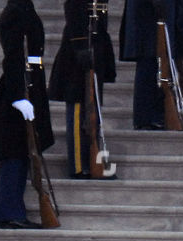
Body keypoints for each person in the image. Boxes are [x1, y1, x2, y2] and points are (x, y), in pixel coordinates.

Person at [0, 0, 55, 228]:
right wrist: (18, 96)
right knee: (15, 151)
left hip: (31, 83)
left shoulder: (25, 8)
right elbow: (12, 57)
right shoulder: (14, 12)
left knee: (24, 151)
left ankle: (14, 208)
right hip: (21, 86)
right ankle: (9, 211)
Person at [49, 0, 116, 178]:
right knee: (78, 113)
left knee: (95, 114)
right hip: (77, 56)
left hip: (96, 51)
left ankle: (95, 161)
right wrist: (80, 47)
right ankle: (78, 165)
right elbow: (73, 15)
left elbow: (101, 23)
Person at [119, 0, 178, 130]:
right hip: (149, 18)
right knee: (148, 67)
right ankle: (146, 117)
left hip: (152, 16)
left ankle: (151, 115)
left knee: (153, 66)